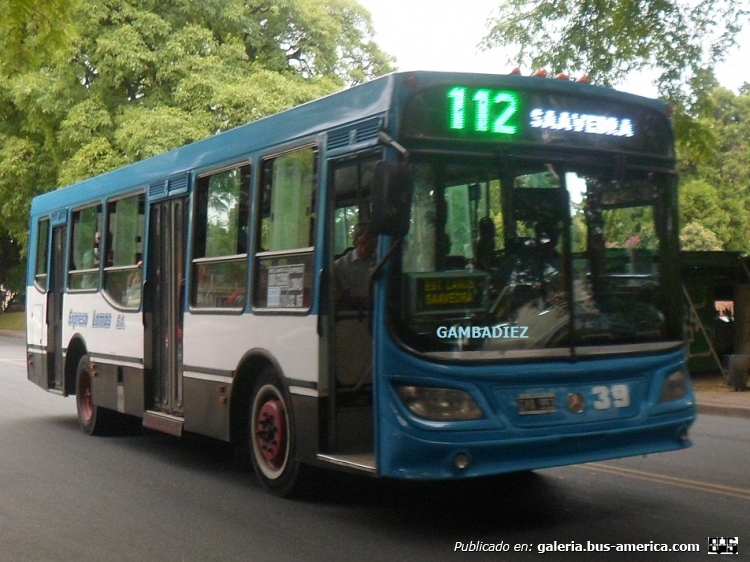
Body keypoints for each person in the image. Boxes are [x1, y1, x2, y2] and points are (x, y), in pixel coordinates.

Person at [334, 221, 376, 311]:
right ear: (357, 238)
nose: (373, 241)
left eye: (374, 237)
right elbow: (346, 297)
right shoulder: (342, 265)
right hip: (352, 316)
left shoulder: (378, 263)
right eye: (368, 237)